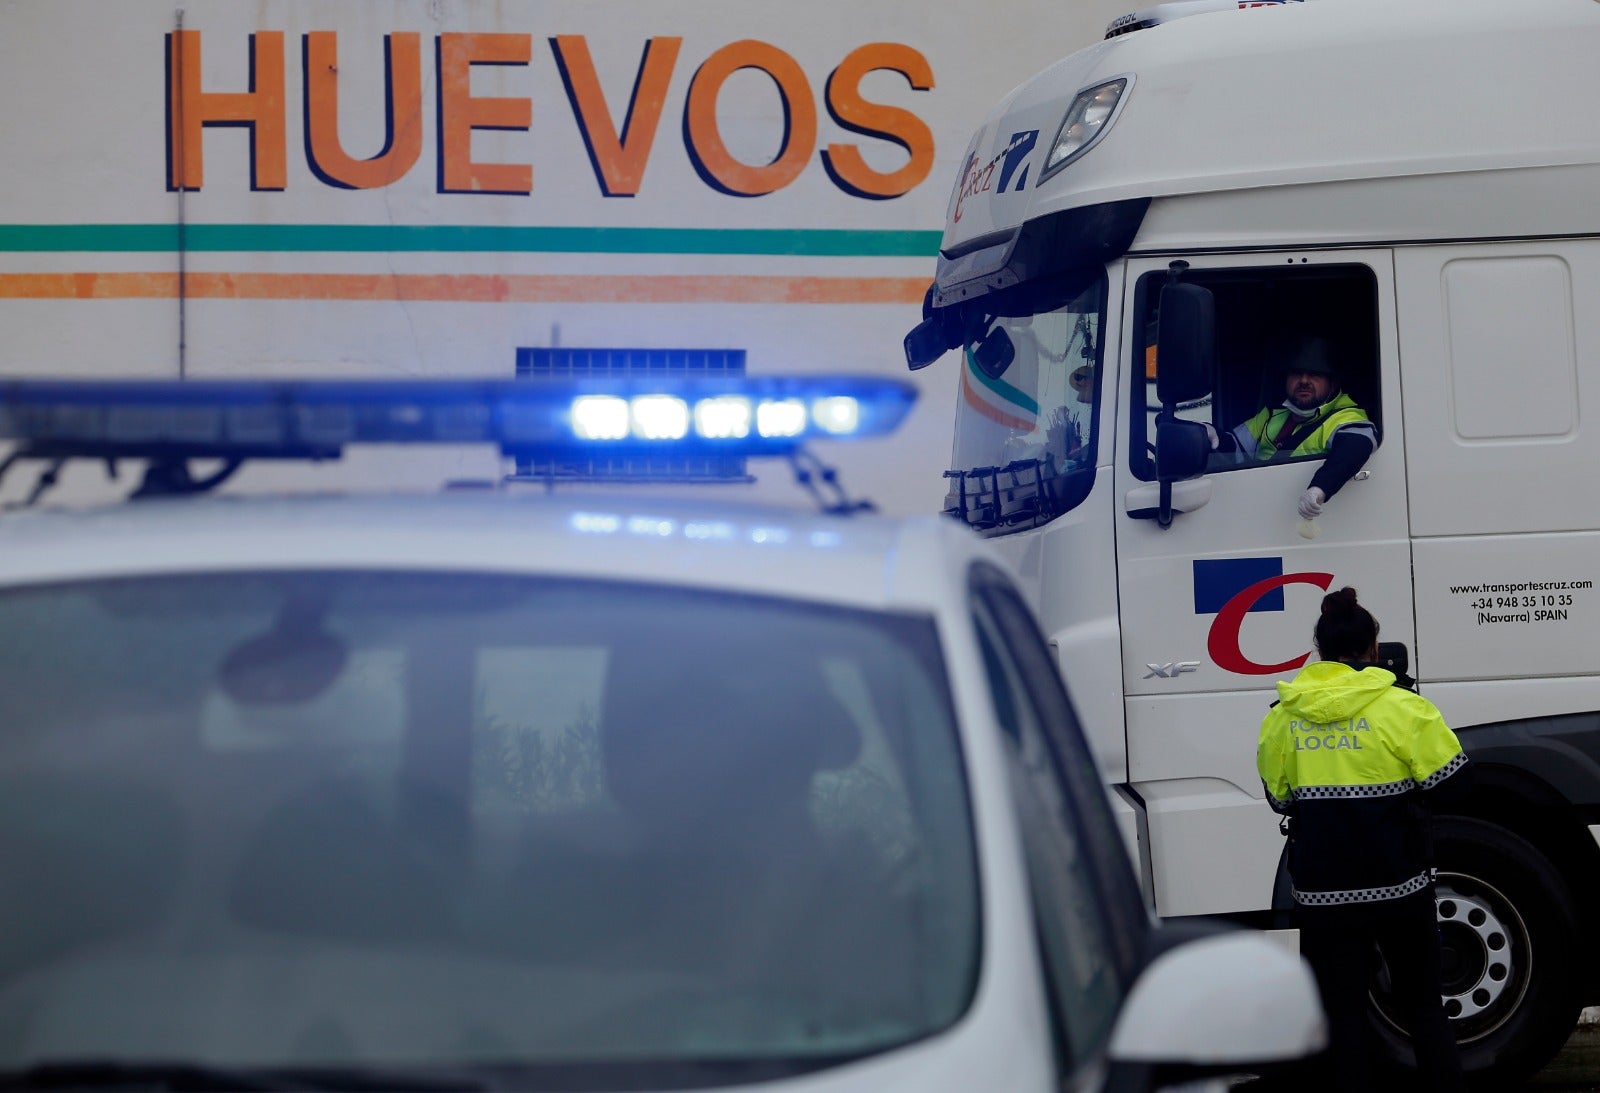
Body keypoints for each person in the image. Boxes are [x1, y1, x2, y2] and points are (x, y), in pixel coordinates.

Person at [1257, 588, 1469, 1093]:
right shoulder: (1403, 708)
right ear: (1374, 648)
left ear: (1319, 649)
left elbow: (1280, 798)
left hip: (1324, 894)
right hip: (1401, 884)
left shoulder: (1283, 716)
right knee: (1422, 1009)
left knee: (1342, 1019)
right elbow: (1452, 782)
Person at [1215, 337, 1378, 521]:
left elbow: (1356, 447)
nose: (1303, 381)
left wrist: (1319, 489)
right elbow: (1236, 447)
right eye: (1296, 373)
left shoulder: (1346, 416)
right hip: (1254, 511)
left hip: (1303, 519)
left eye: (1315, 374)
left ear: (1332, 383)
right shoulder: (1271, 414)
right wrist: (1212, 437)